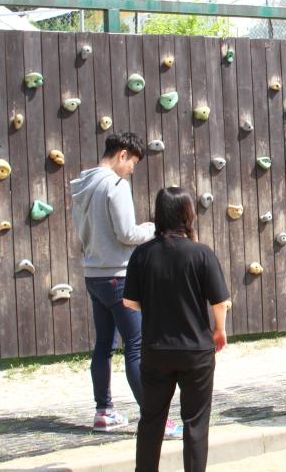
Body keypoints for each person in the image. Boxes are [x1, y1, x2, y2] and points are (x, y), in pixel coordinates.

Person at [70, 132, 179, 436]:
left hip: (93, 275)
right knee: (136, 347)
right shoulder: (116, 185)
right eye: (132, 163)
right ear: (122, 155)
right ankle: (155, 418)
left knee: (104, 346)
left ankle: (104, 412)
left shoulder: (82, 184)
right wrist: (154, 228)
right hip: (119, 277)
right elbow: (127, 233)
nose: (132, 169)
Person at [123, 187, 230, 472]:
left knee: (151, 420)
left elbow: (130, 302)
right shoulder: (201, 253)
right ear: (187, 214)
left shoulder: (142, 254)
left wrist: (156, 306)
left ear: (158, 214)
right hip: (196, 350)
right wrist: (219, 330)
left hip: (155, 349)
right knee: (195, 422)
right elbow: (220, 301)